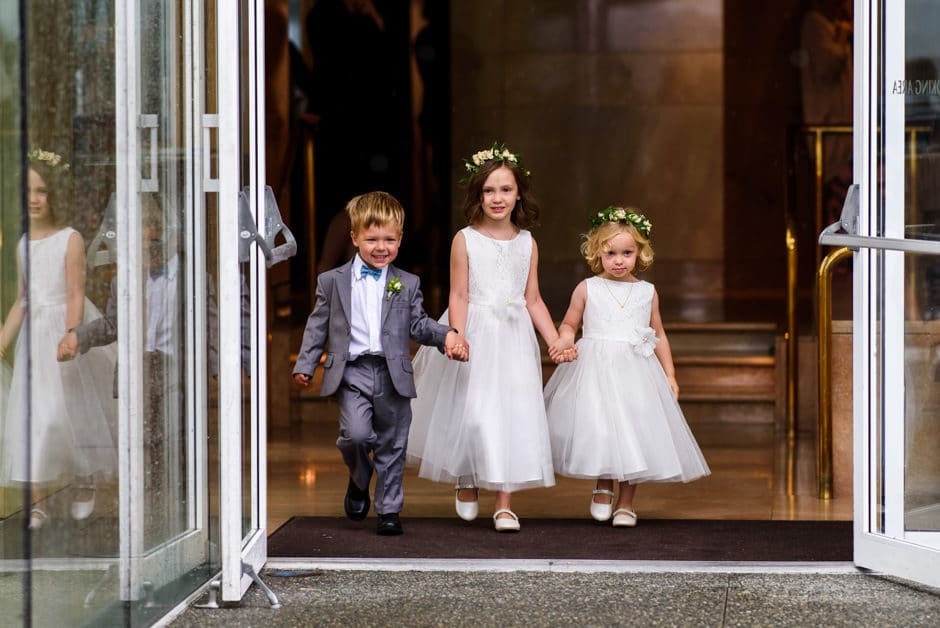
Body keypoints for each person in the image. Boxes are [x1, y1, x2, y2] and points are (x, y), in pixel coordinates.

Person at [407, 143, 568, 532]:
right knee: (474, 411)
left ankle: (504, 501)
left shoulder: (527, 243)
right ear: (478, 196)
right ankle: (466, 474)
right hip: (475, 329)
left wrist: (553, 339)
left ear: (518, 195)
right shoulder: (465, 239)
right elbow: (459, 293)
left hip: (513, 337)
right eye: (489, 191)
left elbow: (532, 298)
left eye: (506, 190)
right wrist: (456, 335)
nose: (498, 198)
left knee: (511, 413)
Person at [292, 191, 467, 536]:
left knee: (393, 443)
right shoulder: (332, 281)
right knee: (355, 435)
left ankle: (389, 510)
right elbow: (318, 324)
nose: (381, 247)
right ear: (355, 238)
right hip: (352, 371)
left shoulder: (408, 283)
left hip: (393, 373)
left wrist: (447, 334)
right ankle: (359, 478)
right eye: (371, 239)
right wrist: (306, 363)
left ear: (400, 240)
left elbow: (418, 324)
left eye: (389, 239)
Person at [544, 206, 710, 527]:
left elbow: (658, 333)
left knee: (635, 433)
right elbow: (569, 323)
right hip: (595, 370)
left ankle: (626, 501)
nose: (619, 260)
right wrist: (564, 339)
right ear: (597, 252)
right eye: (611, 253)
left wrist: (670, 374)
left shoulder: (647, 292)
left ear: (640, 253)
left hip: (636, 373)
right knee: (602, 428)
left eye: (627, 253)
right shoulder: (587, 288)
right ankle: (604, 484)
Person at [0, 148, 117, 529]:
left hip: (64, 331)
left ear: (56, 195)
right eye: (28, 192)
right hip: (34, 339)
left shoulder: (70, 239)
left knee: (66, 414)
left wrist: (73, 335)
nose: (34, 199)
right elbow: (23, 298)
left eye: (42, 191)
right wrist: (4, 338)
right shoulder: (21, 244)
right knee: (32, 417)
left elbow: (73, 293)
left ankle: (83, 478)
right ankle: (38, 502)